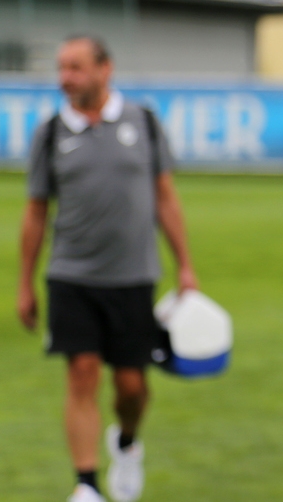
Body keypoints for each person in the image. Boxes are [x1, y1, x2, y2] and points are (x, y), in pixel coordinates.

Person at [16, 36, 199, 502]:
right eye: (61, 68)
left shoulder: (144, 122)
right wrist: (25, 284)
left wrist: (185, 268)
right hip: (70, 276)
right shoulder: (52, 132)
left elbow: (165, 196)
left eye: (75, 67)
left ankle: (127, 440)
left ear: (104, 69)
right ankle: (86, 485)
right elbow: (36, 211)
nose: (65, 77)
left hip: (133, 276)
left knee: (132, 386)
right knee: (81, 372)